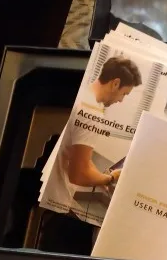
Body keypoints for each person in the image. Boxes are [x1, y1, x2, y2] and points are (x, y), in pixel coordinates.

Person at [45, 56, 143, 210]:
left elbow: (82, 157)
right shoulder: (92, 113)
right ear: (115, 83)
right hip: (54, 196)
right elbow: (79, 174)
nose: (121, 100)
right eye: (124, 94)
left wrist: (100, 178)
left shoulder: (84, 94)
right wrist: (111, 178)